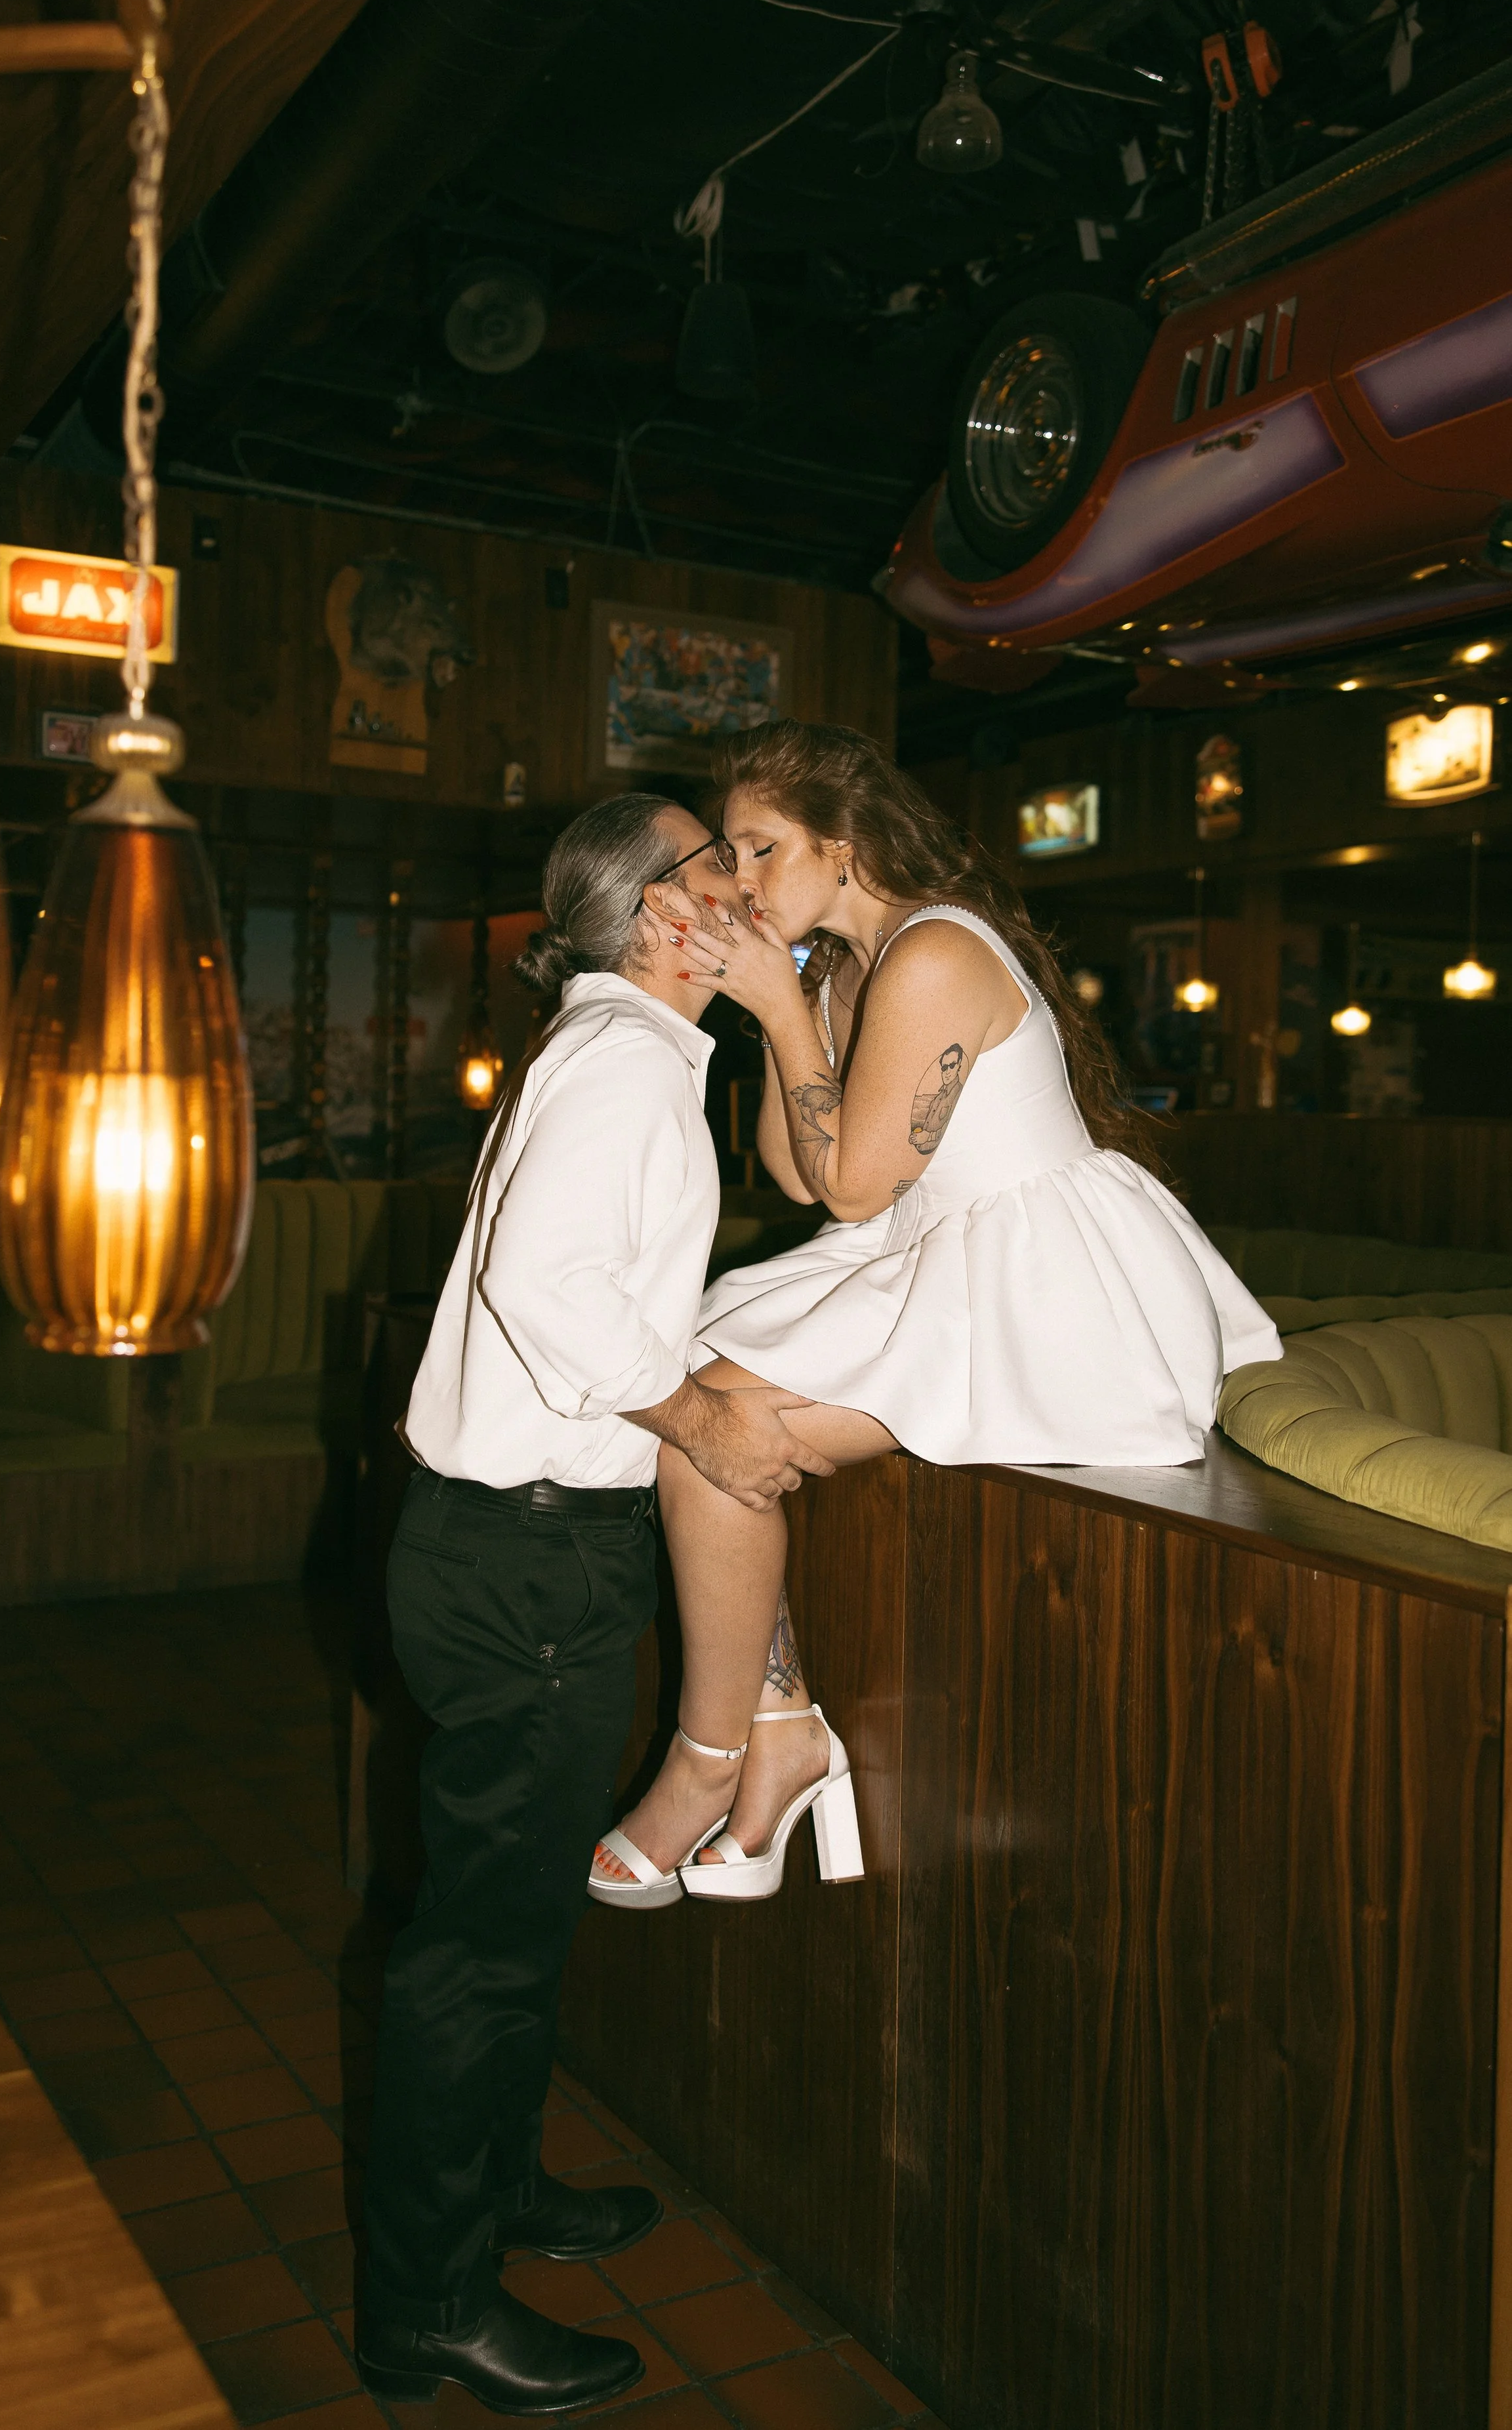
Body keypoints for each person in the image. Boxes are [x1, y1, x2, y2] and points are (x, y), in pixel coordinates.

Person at [590, 718, 1280, 1908]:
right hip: (922, 1246)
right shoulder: (851, 968)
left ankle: (730, 1760)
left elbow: (852, 1182)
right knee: (695, 1395)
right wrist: (780, 1004)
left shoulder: (935, 956)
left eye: (760, 849)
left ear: (843, 844)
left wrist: (782, 1003)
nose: (737, 880)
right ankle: (776, 1723)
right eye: (731, 855)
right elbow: (803, 1177)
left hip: (1042, 1279)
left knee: (708, 1428)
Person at [356, 791, 834, 2416]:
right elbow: (546, 1285)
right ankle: (424, 2308)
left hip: (497, 1545)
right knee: (473, 1958)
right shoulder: (630, 1059)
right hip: (527, 1555)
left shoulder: (619, 1051)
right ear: (656, 917)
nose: (745, 881)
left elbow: (578, 1277)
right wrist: (695, 1414)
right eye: (718, 862)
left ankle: (497, 2197)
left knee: (508, 1927)